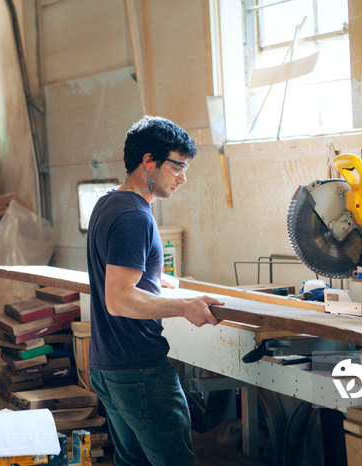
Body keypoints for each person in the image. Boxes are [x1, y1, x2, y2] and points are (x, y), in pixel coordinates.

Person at [86, 115, 224, 465]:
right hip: (138, 368)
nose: (183, 178)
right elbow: (119, 299)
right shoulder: (134, 216)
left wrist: (151, 276)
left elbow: (113, 270)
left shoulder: (108, 203)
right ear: (149, 162)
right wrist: (184, 307)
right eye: (177, 167)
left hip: (108, 365)